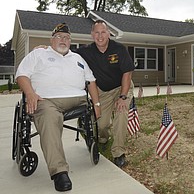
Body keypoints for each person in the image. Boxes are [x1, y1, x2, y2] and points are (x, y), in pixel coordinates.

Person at [15, 23, 101, 192]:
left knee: (81, 107)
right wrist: (30, 94)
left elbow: (91, 81)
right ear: (51, 40)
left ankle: (89, 138)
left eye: (67, 38)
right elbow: (21, 75)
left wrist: (97, 104)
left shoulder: (77, 58)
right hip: (47, 101)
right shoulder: (39, 54)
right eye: (60, 37)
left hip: (78, 99)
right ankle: (59, 171)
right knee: (48, 115)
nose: (64, 40)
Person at [77, 19, 135, 168]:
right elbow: (65, 53)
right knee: (102, 124)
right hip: (103, 91)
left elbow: (127, 74)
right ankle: (103, 138)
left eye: (103, 32)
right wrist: (46, 48)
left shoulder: (120, 49)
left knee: (121, 114)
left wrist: (123, 97)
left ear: (109, 33)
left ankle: (118, 152)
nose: (100, 36)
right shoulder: (85, 52)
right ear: (91, 35)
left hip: (122, 87)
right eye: (96, 32)